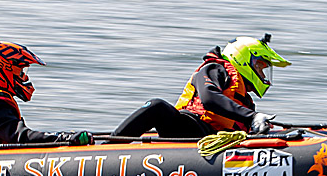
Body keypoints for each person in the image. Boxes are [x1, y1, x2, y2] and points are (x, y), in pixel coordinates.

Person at [111, 34, 290, 139]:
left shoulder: (246, 101)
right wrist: (252, 117)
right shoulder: (215, 69)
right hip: (188, 127)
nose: (262, 75)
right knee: (158, 106)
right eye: (259, 67)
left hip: (215, 140)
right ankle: (108, 147)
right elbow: (209, 98)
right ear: (244, 60)